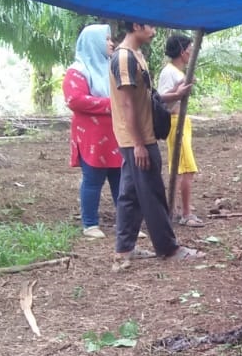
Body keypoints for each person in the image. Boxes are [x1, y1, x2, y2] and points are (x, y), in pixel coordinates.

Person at [107, 20, 200, 268]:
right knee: (152, 192)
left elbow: (146, 97)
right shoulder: (125, 58)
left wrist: (176, 95)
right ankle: (168, 248)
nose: (155, 31)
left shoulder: (136, 55)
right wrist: (138, 143)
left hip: (137, 135)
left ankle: (124, 249)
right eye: (150, 25)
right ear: (136, 25)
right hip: (138, 137)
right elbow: (127, 103)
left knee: (130, 195)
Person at [63, 23, 122, 239]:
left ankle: (124, 222)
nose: (111, 43)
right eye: (106, 39)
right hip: (91, 136)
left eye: (110, 39)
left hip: (115, 134)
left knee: (120, 178)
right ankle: (90, 223)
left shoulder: (111, 68)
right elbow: (75, 100)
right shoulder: (77, 71)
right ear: (93, 43)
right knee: (93, 178)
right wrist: (111, 105)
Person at [158, 33, 203, 227]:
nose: (193, 53)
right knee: (187, 169)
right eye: (191, 49)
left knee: (179, 168)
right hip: (175, 121)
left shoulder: (176, 72)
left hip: (181, 121)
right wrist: (179, 89)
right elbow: (161, 98)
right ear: (184, 52)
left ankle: (175, 208)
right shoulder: (170, 72)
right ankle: (185, 213)